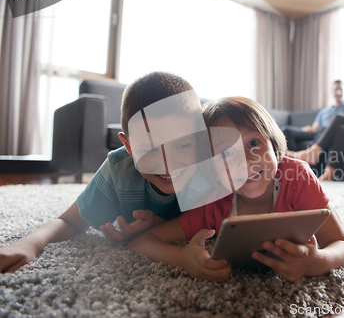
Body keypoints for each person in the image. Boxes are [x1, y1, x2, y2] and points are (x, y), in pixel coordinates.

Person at [126, 97, 344, 283]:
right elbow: (142, 240)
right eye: (225, 153)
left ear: (273, 145)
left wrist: (316, 261)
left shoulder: (297, 176)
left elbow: (342, 245)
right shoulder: (213, 203)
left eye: (254, 143)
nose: (246, 161)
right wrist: (182, 257)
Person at [0, 72, 208, 273]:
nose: (167, 164)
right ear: (129, 147)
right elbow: (69, 221)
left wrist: (157, 224)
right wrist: (29, 243)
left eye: (182, 146)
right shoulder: (119, 169)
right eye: (150, 150)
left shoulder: (212, 169)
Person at [281, 80, 344, 151]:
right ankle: (294, 159)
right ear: (332, 91)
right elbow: (314, 128)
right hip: (318, 133)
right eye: (336, 89)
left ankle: (312, 154)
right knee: (286, 130)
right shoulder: (324, 111)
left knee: (324, 129)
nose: (338, 92)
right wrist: (308, 128)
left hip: (329, 134)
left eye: (341, 89)